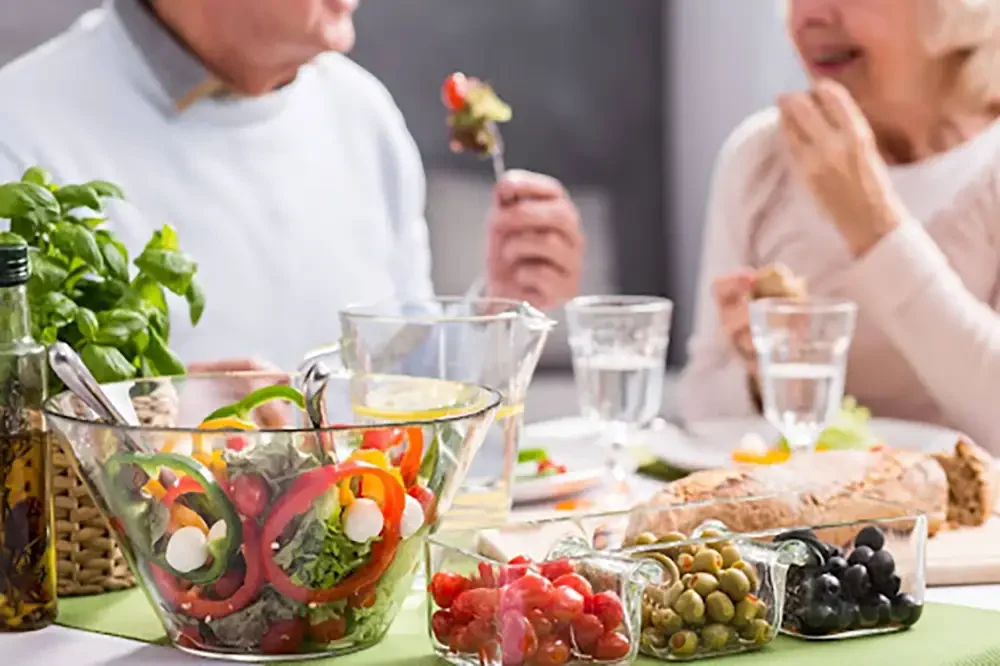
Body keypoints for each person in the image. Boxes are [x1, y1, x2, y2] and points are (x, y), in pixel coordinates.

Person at [0, 0, 583, 371]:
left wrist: (497, 307)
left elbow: (399, 381)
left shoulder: (362, 111)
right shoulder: (19, 129)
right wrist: (158, 420)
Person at [679, 0, 1000, 452]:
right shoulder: (760, 157)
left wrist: (874, 227)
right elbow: (703, 409)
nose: (807, 16)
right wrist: (760, 374)